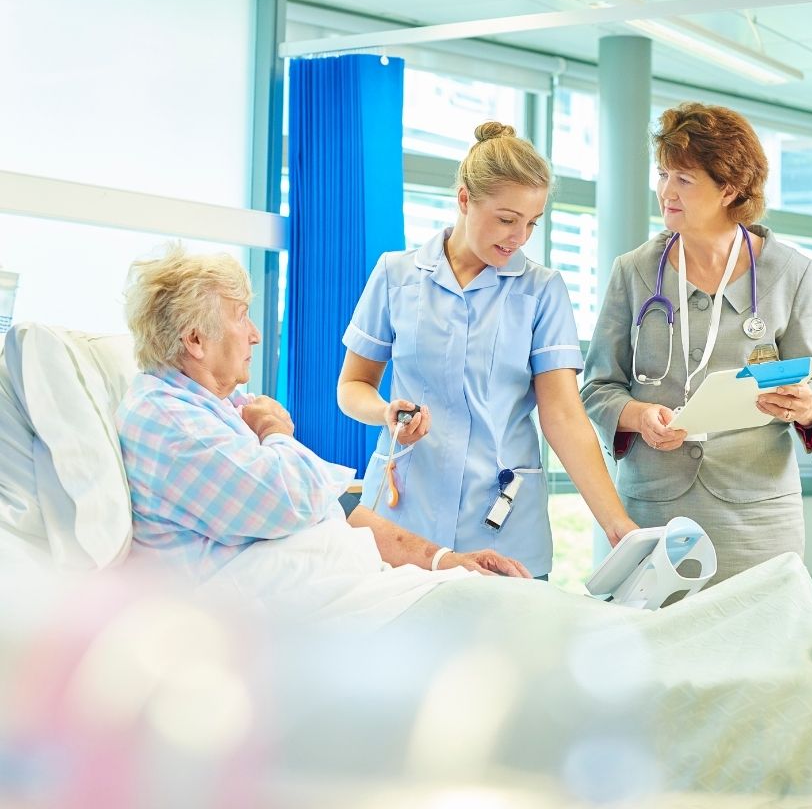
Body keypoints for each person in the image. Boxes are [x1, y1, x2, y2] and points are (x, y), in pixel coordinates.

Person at [115, 245, 531, 585]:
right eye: (241, 317)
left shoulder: (217, 406)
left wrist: (443, 560)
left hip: (347, 580)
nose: (256, 334)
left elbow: (333, 506)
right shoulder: (171, 422)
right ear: (195, 340)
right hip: (289, 612)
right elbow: (295, 500)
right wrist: (278, 433)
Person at [337, 121, 639, 579]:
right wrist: (384, 413)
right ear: (464, 199)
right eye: (506, 219)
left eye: (531, 223)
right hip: (404, 521)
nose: (519, 236)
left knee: (503, 650)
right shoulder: (396, 275)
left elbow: (563, 415)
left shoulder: (542, 291)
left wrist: (616, 524)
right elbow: (353, 386)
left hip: (502, 526)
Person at [581, 101, 812, 587]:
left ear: (730, 188)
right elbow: (597, 387)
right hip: (656, 506)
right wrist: (638, 416)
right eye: (663, 175)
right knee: (656, 651)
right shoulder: (633, 270)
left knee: (757, 646)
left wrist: (807, 404)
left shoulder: (792, 272)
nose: (666, 192)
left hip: (758, 513)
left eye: (684, 180)